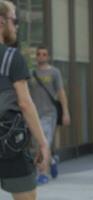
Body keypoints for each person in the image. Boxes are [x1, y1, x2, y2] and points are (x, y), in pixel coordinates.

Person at [0, 1, 50, 199]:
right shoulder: (11, 58)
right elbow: (25, 103)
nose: (17, 26)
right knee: (26, 196)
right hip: (8, 144)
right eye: (15, 20)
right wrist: (43, 143)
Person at [28, 45, 70, 184]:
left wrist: (65, 112)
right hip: (34, 115)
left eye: (44, 54)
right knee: (35, 145)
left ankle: (42, 173)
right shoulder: (31, 73)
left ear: (48, 56)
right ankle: (51, 161)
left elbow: (61, 93)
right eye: (39, 54)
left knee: (43, 143)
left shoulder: (54, 72)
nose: (41, 56)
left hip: (49, 114)